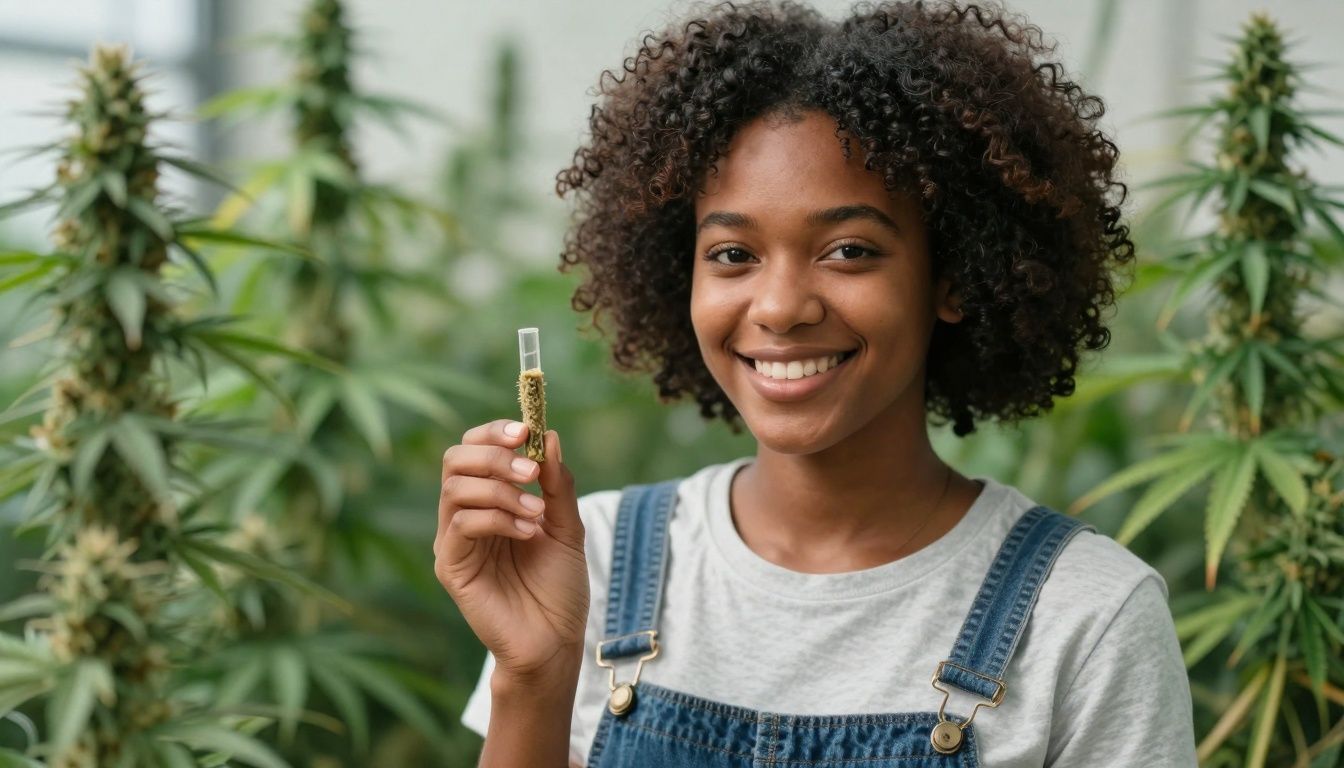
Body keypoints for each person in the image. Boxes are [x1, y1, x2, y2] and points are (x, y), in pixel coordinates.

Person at [436, 1, 1198, 765]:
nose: (779, 308)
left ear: (954, 275)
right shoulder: (586, 561)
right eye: (733, 255)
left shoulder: (1085, 616)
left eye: (849, 250)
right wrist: (533, 677)